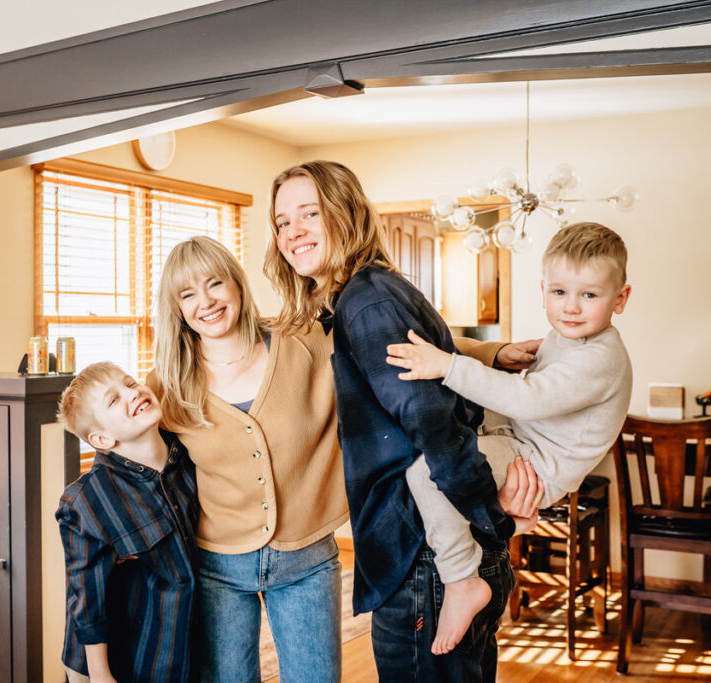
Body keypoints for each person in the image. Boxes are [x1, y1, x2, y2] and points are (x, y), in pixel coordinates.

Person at [147, 235, 535, 682]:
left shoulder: (302, 340)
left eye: (214, 284)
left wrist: (492, 352)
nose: (206, 302)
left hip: (307, 563)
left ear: (236, 285)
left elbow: (404, 345)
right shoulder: (167, 382)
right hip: (217, 565)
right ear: (176, 308)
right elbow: (132, 456)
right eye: (187, 294)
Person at [264, 160, 543, 681]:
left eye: (309, 213)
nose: (292, 231)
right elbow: (424, 361)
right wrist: (490, 350)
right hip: (436, 551)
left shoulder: (366, 302)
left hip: (426, 556)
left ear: (345, 214)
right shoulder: (364, 295)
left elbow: (432, 426)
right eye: (282, 221)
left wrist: (493, 516)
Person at [385, 221, 632, 654]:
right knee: (467, 406)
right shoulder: (564, 338)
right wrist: (501, 355)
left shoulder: (601, 357)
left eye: (589, 295)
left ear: (621, 299)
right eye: (559, 293)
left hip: (536, 461)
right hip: (521, 438)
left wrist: (446, 365)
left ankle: (462, 579)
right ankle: (506, 520)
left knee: (428, 474)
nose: (571, 307)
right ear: (543, 290)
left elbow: (530, 400)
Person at [55, 362, 199, 683]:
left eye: (130, 383)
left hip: (181, 644)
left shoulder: (191, 457)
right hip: (122, 659)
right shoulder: (88, 502)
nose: (132, 394)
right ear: (102, 439)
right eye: (113, 399)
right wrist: (100, 674)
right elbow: (87, 597)